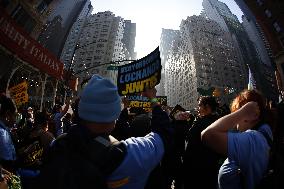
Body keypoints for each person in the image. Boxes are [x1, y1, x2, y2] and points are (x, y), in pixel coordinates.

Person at [37, 75, 171, 189]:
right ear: (114, 116)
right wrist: (153, 98)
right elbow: (163, 134)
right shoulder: (126, 155)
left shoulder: (58, 144)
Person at [201, 90, 274, 189]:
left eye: (237, 111)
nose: (235, 120)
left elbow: (207, 135)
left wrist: (242, 113)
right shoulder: (259, 136)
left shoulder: (253, 139)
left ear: (253, 114)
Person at [183, 96, 222, 189]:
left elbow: (189, 137)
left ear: (207, 107)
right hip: (211, 168)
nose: (198, 108)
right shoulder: (219, 121)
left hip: (197, 169)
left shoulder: (202, 123)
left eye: (200, 105)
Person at [0, 94, 17, 173]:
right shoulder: (3, 134)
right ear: (7, 115)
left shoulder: (4, 130)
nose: (15, 120)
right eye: (15, 116)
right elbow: (8, 162)